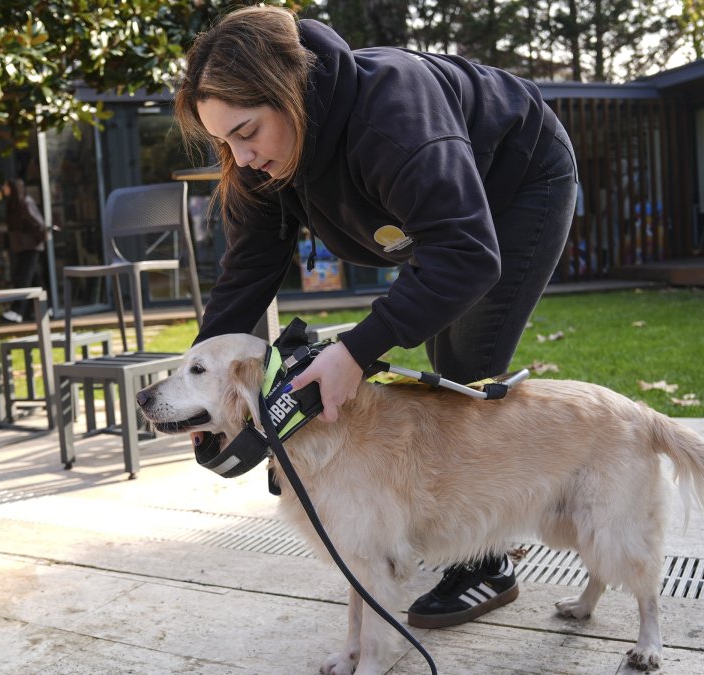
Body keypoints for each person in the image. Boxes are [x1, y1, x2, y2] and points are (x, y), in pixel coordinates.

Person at [176, 6, 576, 629]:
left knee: (465, 369)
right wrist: (201, 382)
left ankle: (485, 559)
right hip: (436, 220)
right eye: (224, 141)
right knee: (443, 359)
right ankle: (430, 533)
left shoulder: (392, 116)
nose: (242, 156)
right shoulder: (260, 157)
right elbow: (249, 267)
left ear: (289, 92)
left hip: (518, 183)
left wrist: (357, 352)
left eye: (247, 132)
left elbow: (465, 254)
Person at [1, 178, 46, 323]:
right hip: (23, 246)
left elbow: (37, 223)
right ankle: (43, 308)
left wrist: (38, 236)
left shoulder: (25, 202)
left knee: (23, 278)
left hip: (30, 246)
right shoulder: (15, 203)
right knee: (35, 279)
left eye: (6, 186)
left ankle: (18, 310)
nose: (3, 188)